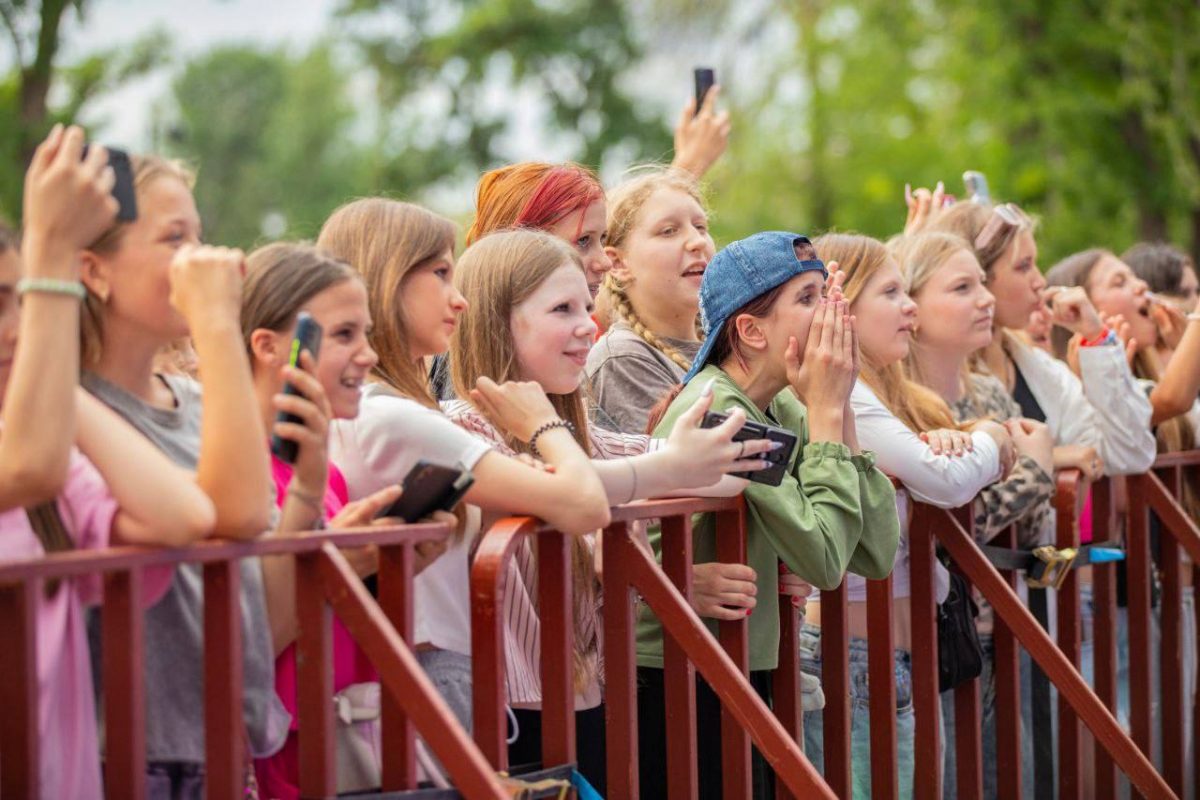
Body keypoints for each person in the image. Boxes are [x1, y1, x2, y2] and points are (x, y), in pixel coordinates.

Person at [319, 198, 609, 742]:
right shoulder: (391, 416)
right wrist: (544, 425)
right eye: (440, 273)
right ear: (388, 280)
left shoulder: (384, 409)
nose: (459, 299)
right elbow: (583, 502)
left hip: (416, 670)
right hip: (423, 675)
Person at [639, 231, 901, 799]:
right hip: (676, 680)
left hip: (736, 664)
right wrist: (828, 411)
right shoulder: (720, 411)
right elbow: (827, 560)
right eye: (808, 299)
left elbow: (875, 551)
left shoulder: (779, 401)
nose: (833, 311)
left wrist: (839, 409)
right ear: (751, 331)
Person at [2, 126, 215, 799]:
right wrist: (53, 253)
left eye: (16, 298)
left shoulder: (51, 445)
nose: (14, 324)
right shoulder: (35, 457)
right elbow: (26, 469)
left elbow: (184, 515)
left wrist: (51, 383)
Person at [77, 148, 285, 795]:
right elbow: (239, 513)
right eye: (174, 238)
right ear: (94, 271)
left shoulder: (197, 400)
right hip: (133, 755)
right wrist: (217, 322)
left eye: (199, 233)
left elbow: (254, 535)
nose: (203, 256)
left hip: (223, 743)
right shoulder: (73, 410)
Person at [800, 233, 1016, 796]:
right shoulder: (846, 395)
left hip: (891, 655)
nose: (910, 307)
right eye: (892, 292)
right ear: (839, 306)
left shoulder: (883, 392)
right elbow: (943, 479)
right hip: (852, 657)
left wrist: (960, 437)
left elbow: (931, 461)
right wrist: (994, 437)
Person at [240, 241, 450, 798]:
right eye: (343, 335)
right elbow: (249, 642)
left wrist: (384, 566)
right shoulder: (233, 475)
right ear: (269, 347)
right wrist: (340, 562)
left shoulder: (327, 474)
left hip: (340, 739)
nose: (370, 355)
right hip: (277, 757)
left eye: (366, 333)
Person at [896, 229, 1058, 798]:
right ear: (913, 307)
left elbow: (1036, 523)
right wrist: (1038, 470)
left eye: (983, 283)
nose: (985, 298)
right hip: (943, 633)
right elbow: (946, 531)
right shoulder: (902, 400)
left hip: (1010, 620)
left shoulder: (989, 393)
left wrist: (1044, 481)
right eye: (963, 287)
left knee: (1016, 778)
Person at [927, 199, 1155, 479]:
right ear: (979, 276)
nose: (1039, 281)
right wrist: (1052, 457)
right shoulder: (935, 374)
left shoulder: (1040, 369)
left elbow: (1129, 453)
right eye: (1023, 266)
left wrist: (1097, 339)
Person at [587, 166, 710, 434]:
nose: (697, 241)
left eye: (700, 227)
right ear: (618, 262)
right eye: (668, 231)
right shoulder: (622, 358)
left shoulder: (725, 344)